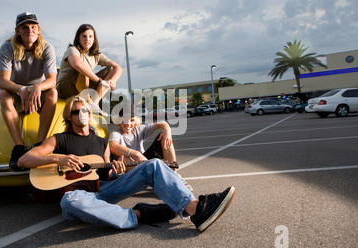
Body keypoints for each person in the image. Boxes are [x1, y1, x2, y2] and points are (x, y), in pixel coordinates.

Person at [18, 96, 236, 232]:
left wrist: (116, 171)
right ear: (70, 116)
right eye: (76, 111)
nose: (82, 114)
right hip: (78, 194)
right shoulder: (60, 139)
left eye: (85, 110)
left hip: (103, 189)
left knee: (153, 165)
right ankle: (142, 215)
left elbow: (102, 174)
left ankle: (195, 208)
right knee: (69, 202)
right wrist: (59, 157)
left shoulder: (101, 142)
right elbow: (24, 160)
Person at [0, 12, 58, 170]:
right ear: (17, 31)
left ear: (39, 30)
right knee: (3, 94)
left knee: (53, 93)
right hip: (17, 90)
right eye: (25, 27)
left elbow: (52, 80)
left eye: (33, 27)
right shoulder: (7, 47)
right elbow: (3, 81)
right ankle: (19, 148)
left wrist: (37, 87)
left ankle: (39, 144)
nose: (29, 30)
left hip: (40, 91)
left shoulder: (47, 48)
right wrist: (21, 89)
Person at [109, 105, 193, 190]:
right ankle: (160, 181)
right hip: (133, 169)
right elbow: (112, 145)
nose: (128, 124)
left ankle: (174, 175)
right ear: (119, 120)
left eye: (132, 120)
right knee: (125, 159)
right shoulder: (116, 133)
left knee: (164, 137)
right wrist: (136, 154)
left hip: (145, 161)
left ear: (135, 121)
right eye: (124, 120)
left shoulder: (138, 129)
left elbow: (162, 123)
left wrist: (167, 132)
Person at [56, 24, 123, 115]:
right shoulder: (72, 50)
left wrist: (112, 81)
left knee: (111, 69)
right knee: (81, 67)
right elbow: (77, 64)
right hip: (65, 89)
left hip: (83, 88)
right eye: (84, 36)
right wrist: (99, 81)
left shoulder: (96, 55)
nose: (87, 39)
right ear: (78, 39)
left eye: (90, 36)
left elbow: (118, 67)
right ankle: (87, 101)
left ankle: (94, 103)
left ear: (94, 39)